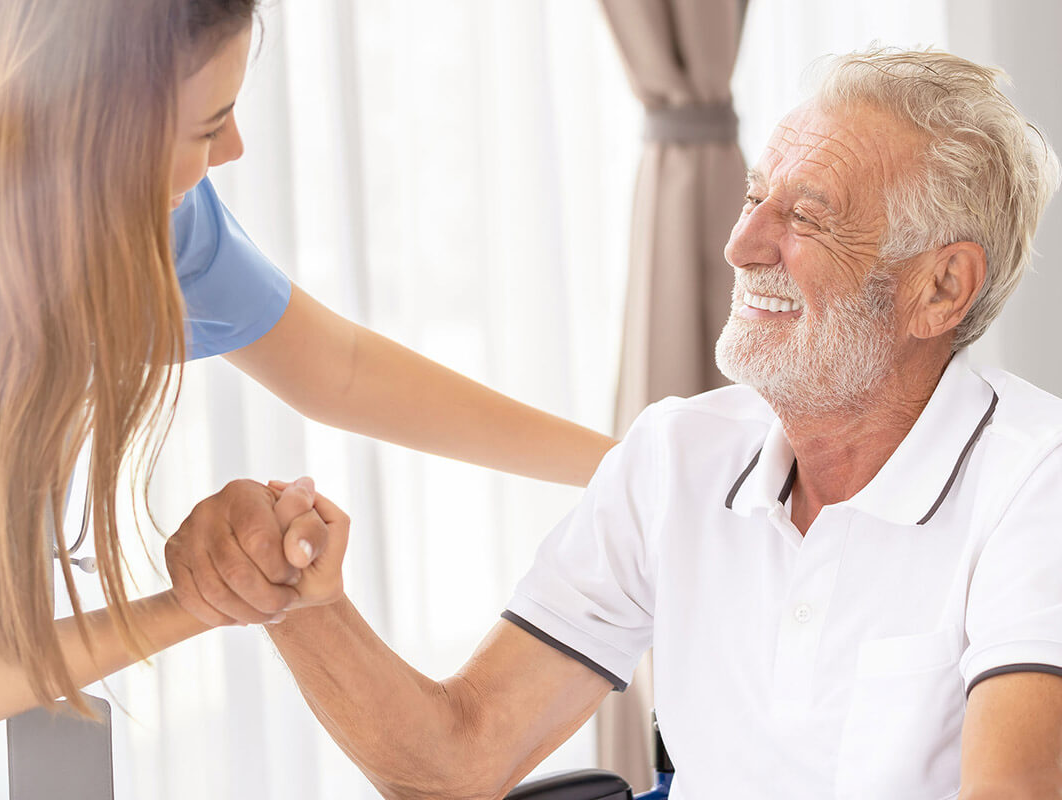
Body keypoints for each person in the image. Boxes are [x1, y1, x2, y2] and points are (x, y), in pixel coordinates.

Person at [168, 48, 1062, 798]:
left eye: (807, 218)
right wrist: (298, 602)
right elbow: (458, 758)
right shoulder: (676, 456)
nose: (741, 245)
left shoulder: (1035, 483)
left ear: (940, 288)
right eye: (756, 199)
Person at [0, 1, 615, 797]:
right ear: (91, 129)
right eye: (209, 124)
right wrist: (206, 597)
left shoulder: (138, 209)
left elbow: (341, 369)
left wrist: (641, 462)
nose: (236, 148)